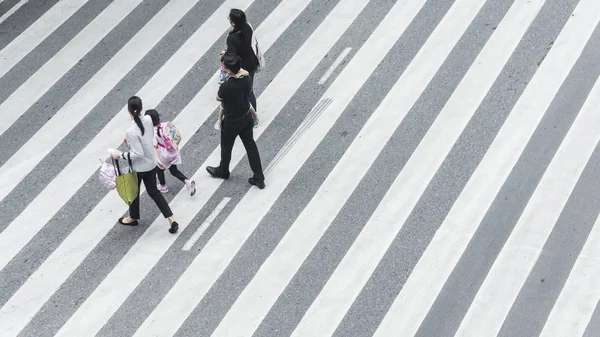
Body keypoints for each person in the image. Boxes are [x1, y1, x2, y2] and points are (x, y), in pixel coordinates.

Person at [111, 96, 179, 234]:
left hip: (139, 168)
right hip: (151, 164)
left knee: (133, 192)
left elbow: (137, 153)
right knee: (154, 192)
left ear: (128, 110)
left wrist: (120, 155)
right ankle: (171, 219)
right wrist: (130, 142)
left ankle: (133, 217)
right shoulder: (147, 119)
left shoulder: (131, 131)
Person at [206, 54, 265, 189]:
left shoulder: (227, 86)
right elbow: (243, 74)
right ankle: (259, 177)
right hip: (245, 117)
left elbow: (218, 98)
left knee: (226, 147)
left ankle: (223, 171)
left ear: (228, 70)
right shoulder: (247, 78)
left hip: (231, 120)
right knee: (251, 147)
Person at [144, 109, 196, 196]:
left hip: (164, 155)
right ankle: (187, 181)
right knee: (174, 171)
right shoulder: (165, 125)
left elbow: (154, 147)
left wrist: (157, 160)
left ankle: (163, 186)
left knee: (159, 170)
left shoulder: (153, 132)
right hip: (173, 151)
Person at [221, 8, 259, 114]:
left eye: (229, 18)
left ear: (233, 22)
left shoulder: (232, 38)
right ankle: (252, 113)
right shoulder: (247, 27)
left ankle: (251, 115)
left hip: (242, 67)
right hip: (252, 62)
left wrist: (225, 55)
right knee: (249, 89)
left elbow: (232, 57)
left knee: (247, 92)